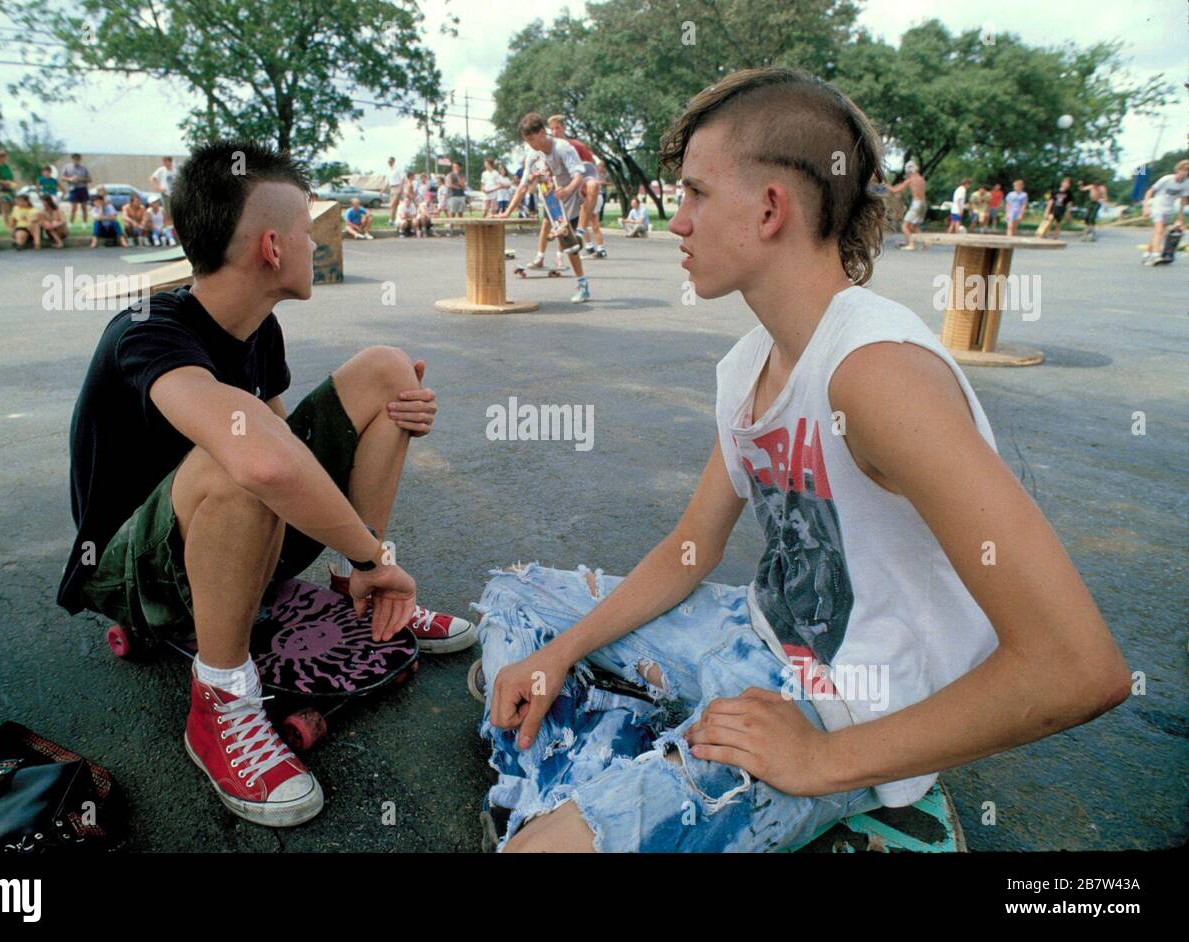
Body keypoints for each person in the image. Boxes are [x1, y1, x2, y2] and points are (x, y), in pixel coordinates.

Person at [470, 66, 1129, 854]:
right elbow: (690, 550)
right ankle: (626, 766)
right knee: (516, 605)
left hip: (844, 704)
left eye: (695, 195)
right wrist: (559, 653)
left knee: (536, 853)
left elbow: (1078, 666)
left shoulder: (876, 373)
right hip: (746, 637)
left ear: (771, 208)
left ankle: (658, 785)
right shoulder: (751, 362)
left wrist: (823, 758)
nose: (676, 222)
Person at [57, 140, 473, 827]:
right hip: (132, 573)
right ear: (274, 248)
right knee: (240, 448)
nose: (320, 244)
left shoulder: (260, 329)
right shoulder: (147, 331)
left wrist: (387, 428)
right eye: (311, 232)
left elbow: (289, 449)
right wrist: (381, 556)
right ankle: (220, 701)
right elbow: (262, 460)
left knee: (387, 371)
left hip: (223, 529)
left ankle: (356, 591)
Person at [500, 112, 592, 303]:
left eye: (532, 139)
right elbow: (523, 186)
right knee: (570, 246)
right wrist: (506, 213)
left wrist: (567, 190)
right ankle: (583, 285)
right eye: (527, 141)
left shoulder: (563, 147)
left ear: (542, 132)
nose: (530, 145)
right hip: (556, 199)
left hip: (575, 190)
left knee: (592, 187)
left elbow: (578, 175)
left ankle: (582, 230)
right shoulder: (533, 155)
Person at [548, 115, 607, 259]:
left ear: (564, 128)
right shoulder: (551, 148)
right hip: (565, 192)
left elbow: (593, 165)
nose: (555, 132)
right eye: (552, 129)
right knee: (565, 224)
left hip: (581, 189)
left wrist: (594, 180)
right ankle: (585, 247)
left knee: (591, 221)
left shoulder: (576, 145)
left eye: (558, 128)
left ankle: (594, 246)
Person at [1141, 160, 1189, 265]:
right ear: (1177, 170)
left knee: (1161, 233)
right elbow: (1150, 191)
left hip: (1169, 208)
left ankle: (1147, 253)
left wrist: (1180, 218)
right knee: (1158, 230)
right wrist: (1145, 207)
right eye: (1183, 170)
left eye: (1187, 171)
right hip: (1157, 206)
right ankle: (1156, 255)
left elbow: (1183, 201)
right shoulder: (1167, 179)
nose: (1184, 173)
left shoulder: (1187, 183)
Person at [886, 160, 926, 249]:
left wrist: (885, 185)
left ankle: (911, 244)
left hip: (916, 204)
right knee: (914, 226)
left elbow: (895, 190)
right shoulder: (922, 179)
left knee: (904, 226)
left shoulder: (910, 180)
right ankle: (925, 243)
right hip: (923, 204)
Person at [61, 153, 92, 224]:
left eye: (78, 159)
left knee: (84, 207)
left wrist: (80, 179)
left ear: (80, 160)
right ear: (72, 159)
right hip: (73, 189)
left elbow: (90, 179)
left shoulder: (84, 168)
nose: (76, 161)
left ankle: (84, 223)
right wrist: (70, 179)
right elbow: (62, 177)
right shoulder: (67, 167)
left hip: (82, 188)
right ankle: (71, 223)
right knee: (73, 208)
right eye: (75, 159)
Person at [150, 156, 178, 224]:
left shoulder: (176, 170)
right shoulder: (161, 170)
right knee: (167, 212)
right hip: (166, 194)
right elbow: (152, 178)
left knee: (176, 212)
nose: (164, 163)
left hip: (175, 194)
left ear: (169, 161)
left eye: (165, 161)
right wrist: (158, 188)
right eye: (163, 161)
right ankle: (170, 227)